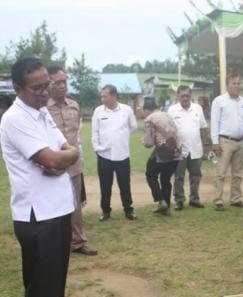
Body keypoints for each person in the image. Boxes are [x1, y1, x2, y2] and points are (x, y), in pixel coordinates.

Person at [0, 57, 83, 297]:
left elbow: (65, 151)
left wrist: (64, 157)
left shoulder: (41, 113)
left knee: (57, 272)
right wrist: (61, 158)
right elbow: (51, 159)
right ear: (18, 88)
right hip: (36, 213)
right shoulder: (15, 119)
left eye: (46, 85)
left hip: (58, 206)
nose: (45, 92)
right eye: (37, 88)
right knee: (40, 279)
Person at [47, 65, 97, 256]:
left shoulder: (74, 106)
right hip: (52, 165)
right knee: (53, 205)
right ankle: (55, 244)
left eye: (64, 82)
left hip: (74, 164)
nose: (62, 86)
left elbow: (76, 135)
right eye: (57, 82)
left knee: (75, 204)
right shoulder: (43, 108)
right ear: (49, 84)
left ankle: (78, 242)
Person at [92, 84, 138, 221]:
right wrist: (97, 148)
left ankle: (128, 210)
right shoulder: (98, 111)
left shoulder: (126, 110)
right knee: (105, 185)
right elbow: (94, 132)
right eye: (101, 96)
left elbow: (133, 127)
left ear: (113, 96)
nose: (102, 99)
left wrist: (121, 137)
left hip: (122, 154)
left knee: (125, 184)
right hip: (104, 155)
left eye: (104, 96)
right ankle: (105, 211)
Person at [210, 73, 243, 211]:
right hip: (225, 141)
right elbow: (214, 122)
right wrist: (215, 143)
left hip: (241, 141)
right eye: (234, 83)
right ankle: (218, 200)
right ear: (228, 85)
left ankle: (236, 198)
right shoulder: (219, 101)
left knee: (238, 173)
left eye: (238, 83)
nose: (236, 86)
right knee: (221, 172)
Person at [168, 85, 207, 210]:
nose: (185, 98)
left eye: (187, 95)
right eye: (182, 95)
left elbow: (202, 128)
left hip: (195, 148)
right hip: (178, 150)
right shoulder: (172, 110)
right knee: (179, 176)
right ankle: (179, 200)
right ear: (178, 96)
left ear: (191, 96)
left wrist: (205, 145)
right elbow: (168, 131)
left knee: (196, 175)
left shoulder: (197, 109)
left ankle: (194, 199)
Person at [142, 96, 181, 215]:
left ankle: (161, 200)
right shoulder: (167, 114)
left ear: (146, 110)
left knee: (150, 174)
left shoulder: (149, 119)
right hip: (176, 153)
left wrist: (144, 141)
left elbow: (148, 143)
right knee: (165, 179)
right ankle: (166, 206)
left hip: (163, 153)